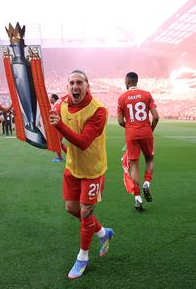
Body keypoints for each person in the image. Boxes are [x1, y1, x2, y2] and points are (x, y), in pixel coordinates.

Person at [49, 70, 114, 279]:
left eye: (79, 82)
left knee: (85, 212)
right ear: (67, 86)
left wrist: (58, 124)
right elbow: (54, 128)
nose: (75, 86)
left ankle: (83, 257)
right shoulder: (61, 104)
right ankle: (104, 233)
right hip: (72, 167)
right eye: (71, 83)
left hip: (93, 169)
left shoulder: (99, 110)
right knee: (71, 208)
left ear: (87, 85)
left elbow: (84, 142)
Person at [117, 72, 159, 211]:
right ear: (136, 81)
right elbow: (156, 117)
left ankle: (137, 198)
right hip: (146, 131)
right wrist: (149, 129)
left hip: (131, 134)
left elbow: (120, 121)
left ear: (127, 82)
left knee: (134, 166)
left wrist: (130, 127)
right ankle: (147, 182)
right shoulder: (146, 94)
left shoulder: (122, 98)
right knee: (149, 160)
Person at [49, 93, 68, 162]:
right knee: (59, 143)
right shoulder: (56, 104)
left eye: (50, 97)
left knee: (57, 143)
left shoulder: (57, 105)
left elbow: (57, 115)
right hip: (58, 126)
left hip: (59, 127)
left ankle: (60, 157)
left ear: (53, 98)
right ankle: (66, 156)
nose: (49, 99)